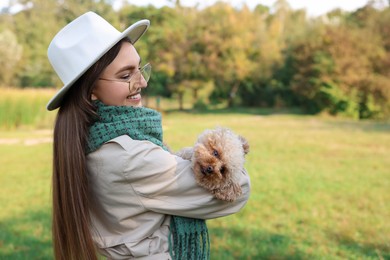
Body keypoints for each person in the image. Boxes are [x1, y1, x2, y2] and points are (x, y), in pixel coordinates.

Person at [47, 11, 250, 260]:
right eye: (126, 75)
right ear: (90, 92)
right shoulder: (129, 156)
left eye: (140, 69)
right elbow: (238, 188)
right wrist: (227, 149)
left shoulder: (90, 140)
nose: (142, 82)